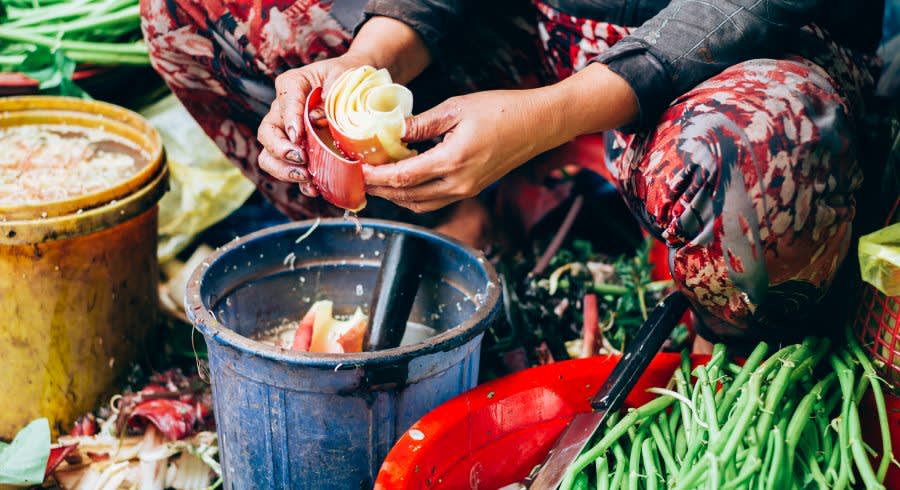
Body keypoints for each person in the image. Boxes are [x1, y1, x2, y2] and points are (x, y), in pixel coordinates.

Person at [141, 0, 884, 344]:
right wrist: (364, 68)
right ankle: (442, 245)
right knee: (198, 12)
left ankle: (718, 348)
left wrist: (551, 114)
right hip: (540, 20)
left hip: (741, 47)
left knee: (732, 168)